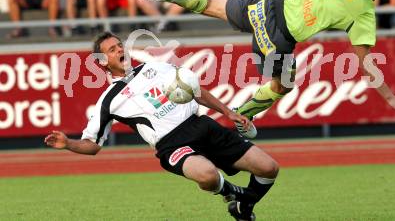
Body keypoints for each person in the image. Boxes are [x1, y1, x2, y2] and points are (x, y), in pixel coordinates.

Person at [126, 0, 395, 138]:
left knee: (207, 5)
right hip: (277, 41)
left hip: (266, 6)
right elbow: (366, 63)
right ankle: (242, 119)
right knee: (283, 86)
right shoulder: (363, 13)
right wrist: (389, 97)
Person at [45, 31, 279, 221]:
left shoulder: (154, 68)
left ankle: (242, 208)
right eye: (112, 49)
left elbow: (194, 91)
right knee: (207, 176)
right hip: (172, 145)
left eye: (120, 45)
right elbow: (92, 145)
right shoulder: (108, 101)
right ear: (103, 62)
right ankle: (231, 192)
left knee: (269, 168)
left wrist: (228, 112)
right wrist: (68, 144)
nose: (120, 50)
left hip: (201, 126)